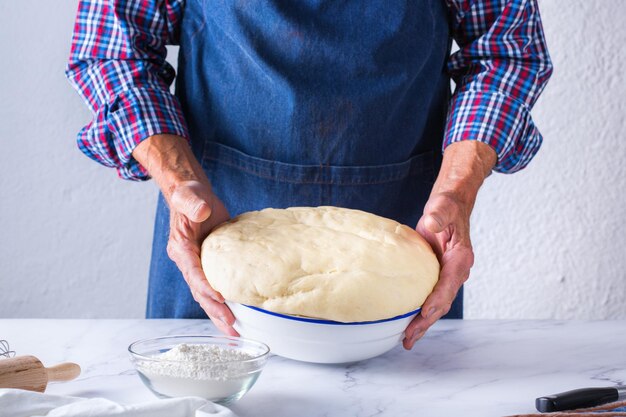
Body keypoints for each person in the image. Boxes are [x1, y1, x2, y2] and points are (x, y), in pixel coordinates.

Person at [66, 0, 552, 349]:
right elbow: (114, 50)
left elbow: (505, 52)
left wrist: (456, 193)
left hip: (409, 233)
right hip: (213, 223)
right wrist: (179, 185)